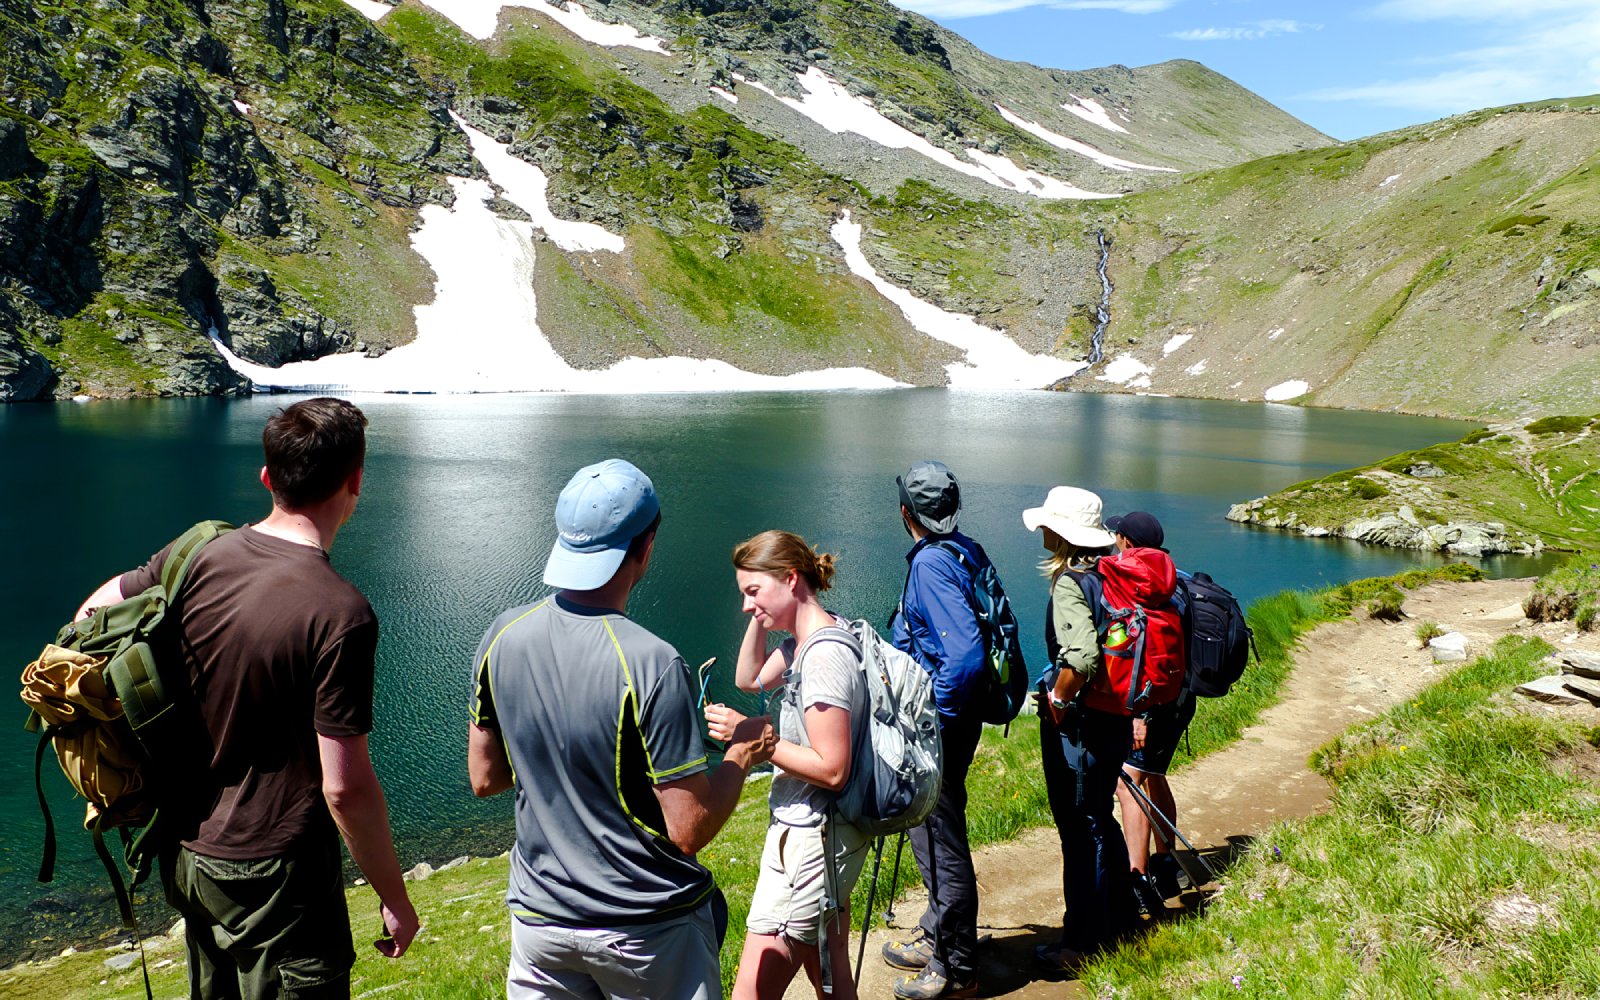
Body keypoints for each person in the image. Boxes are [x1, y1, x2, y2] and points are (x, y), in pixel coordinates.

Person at [73, 397, 419, 998]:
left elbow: (90, 617)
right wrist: (393, 895)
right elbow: (345, 787)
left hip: (188, 850)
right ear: (356, 480)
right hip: (277, 871)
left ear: (268, 478)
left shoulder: (203, 551)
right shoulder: (341, 613)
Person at [468, 458, 776, 1000]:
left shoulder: (501, 633)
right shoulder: (652, 662)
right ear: (646, 547)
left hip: (540, 923)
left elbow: (485, 777)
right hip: (645, 930)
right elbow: (688, 830)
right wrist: (742, 754)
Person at [704, 530, 869, 1000]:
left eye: (752, 591)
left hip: (810, 842)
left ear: (790, 578)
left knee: (750, 993)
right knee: (831, 974)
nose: (744, 605)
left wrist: (758, 740)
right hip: (826, 836)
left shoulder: (822, 657)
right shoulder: (806, 640)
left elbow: (833, 768)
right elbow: (748, 678)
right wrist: (762, 613)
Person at [880, 461, 988, 999]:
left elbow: (964, 659)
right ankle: (935, 930)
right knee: (935, 828)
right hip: (959, 721)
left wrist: (931, 721)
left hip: (940, 726)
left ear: (906, 513)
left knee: (938, 837)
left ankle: (957, 967)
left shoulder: (930, 567)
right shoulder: (965, 549)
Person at [1023, 485, 1137, 973]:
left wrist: (1057, 700)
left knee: (1079, 827)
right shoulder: (1113, 575)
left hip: (1083, 727)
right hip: (1117, 717)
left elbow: (1083, 657)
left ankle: (1083, 944)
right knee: (1100, 817)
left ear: (1063, 534)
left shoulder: (1072, 582)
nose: (1043, 530)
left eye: (1050, 523)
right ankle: (1121, 924)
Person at [1104, 511, 1197, 913]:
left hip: (1148, 700)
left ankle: (1137, 881)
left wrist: (1137, 714)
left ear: (1125, 541)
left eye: (1117, 536)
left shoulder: (1132, 585)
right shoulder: (1178, 580)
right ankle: (1167, 863)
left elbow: (1137, 654)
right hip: (1181, 695)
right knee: (1155, 775)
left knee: (1129, 785)